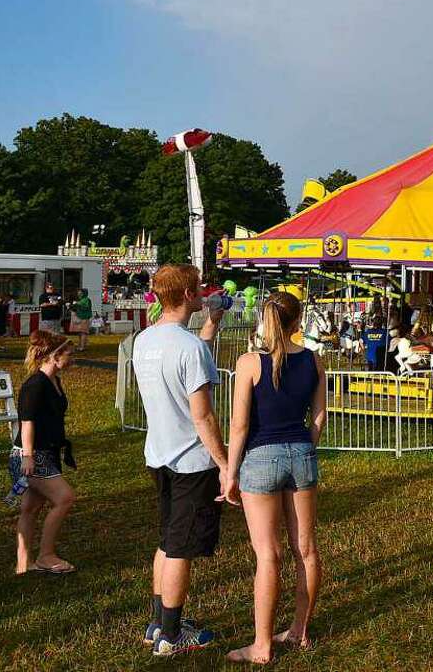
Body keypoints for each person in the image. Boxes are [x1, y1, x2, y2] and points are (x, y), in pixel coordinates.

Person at [132, 263, 229, 656]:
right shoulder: (188, 348)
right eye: (200, 290)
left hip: (159, 453)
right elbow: (202, 415)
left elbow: (186, 359)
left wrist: (212, 325)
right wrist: (224, 464)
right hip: (192, 459)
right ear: (190, 295)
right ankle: (172, 636)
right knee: (180, 549)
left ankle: (159, 623)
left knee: (167, 540)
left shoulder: (145, 339)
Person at [225, 292, 327, 663]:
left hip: (260, 459)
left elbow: (239, 426)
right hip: (301, 453)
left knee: (268, 555)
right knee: (307, 550)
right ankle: (299, 631)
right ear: (298, 322)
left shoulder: (250, 363)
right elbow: (318, 418)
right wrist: (305, 447)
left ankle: (262, 645)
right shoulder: (315, 361)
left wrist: (229, 472)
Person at [11, 330, 77, 574]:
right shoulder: (34, 385)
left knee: (31, 507)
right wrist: (27, 457)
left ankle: (23, 563)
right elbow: (27, 422)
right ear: (54, 356)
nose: (73, 357)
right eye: (69, 353)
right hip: (32, 454)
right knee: (64, 498)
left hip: (47, 452)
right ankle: (46, 555)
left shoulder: (54, 380)